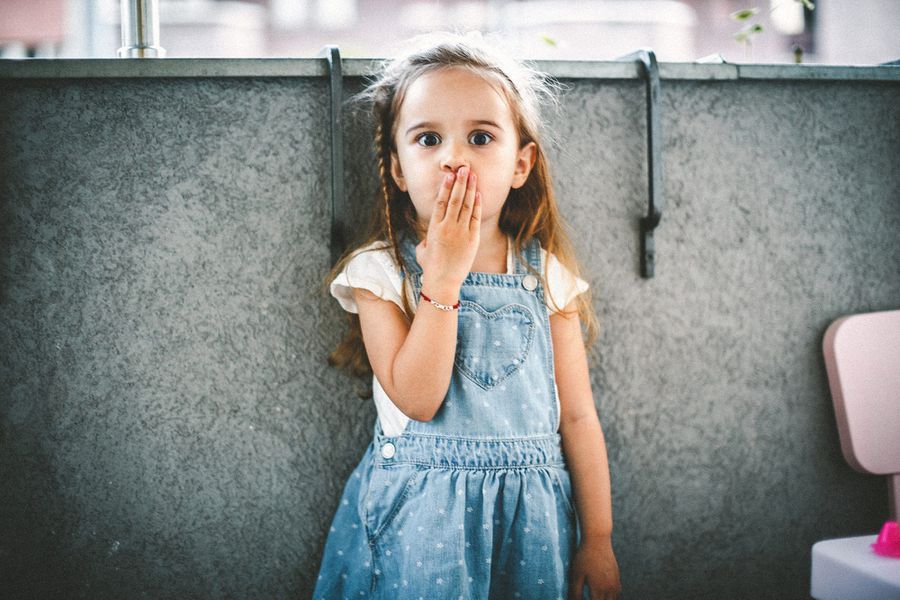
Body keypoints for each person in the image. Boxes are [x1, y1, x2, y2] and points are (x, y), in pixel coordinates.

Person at [313, 30, 621, 600]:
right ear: (399, 170)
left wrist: (597, 536)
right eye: (428, 139)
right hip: (424, 520)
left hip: (531, 523)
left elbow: (577, 417)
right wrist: (445, 278)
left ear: (521, 164)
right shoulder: (380, 273)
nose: (454, 157)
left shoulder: (546, 276)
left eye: (480, 137)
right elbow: (419, 398)